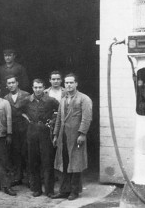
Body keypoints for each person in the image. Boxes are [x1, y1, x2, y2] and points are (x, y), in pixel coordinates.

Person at [52, 73, 92, 201]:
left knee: (75, 163)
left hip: (76, 136)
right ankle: (64, 190)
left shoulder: (84, 99)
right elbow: (59, 118)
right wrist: (55, 134)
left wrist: (82, 134)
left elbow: (87, 118)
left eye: (71, 82)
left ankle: (74, 191)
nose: (68, 85)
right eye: (67, 83)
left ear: (76, 84)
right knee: (63, 162)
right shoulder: (63, 99)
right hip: (63, 137)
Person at [21, 79, 59, 198]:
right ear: (32, 88)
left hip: (45, 132)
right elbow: (19, 112)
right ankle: (36, 189)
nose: (38, 89)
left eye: (40, 87)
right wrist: (27, 120)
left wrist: (52, 121)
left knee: (47, 162)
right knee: (33, 162)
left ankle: (49, 190)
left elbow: (59, 111)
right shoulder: (27, 100)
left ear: (44, 87)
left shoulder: (50, 100)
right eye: (35, 87)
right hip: (31, 132)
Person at [4, 75, 30, 186]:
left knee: (27, 153)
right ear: (6, 86)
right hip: (13, 128)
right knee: (15, 153)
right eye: (9, 83)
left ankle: (29, 178)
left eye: (13, 82)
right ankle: (18, 176)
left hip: (25, 127)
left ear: (17, 83)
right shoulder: (5, 98)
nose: (11, 85)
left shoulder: (26, 95)